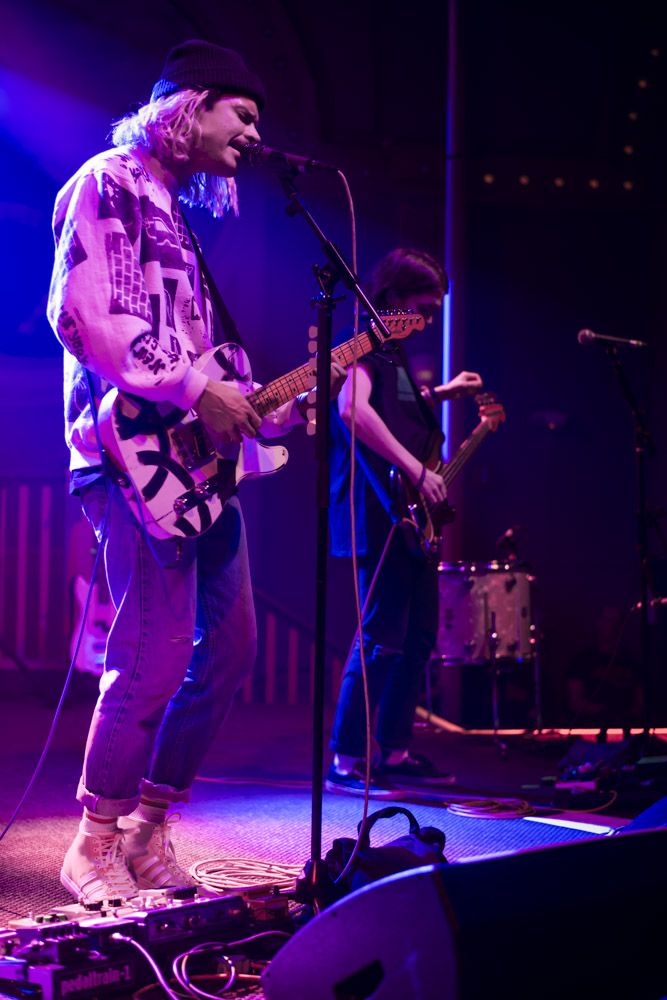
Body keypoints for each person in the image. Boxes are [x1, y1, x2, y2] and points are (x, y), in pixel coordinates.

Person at [47, 39, 345, 903]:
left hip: (197, 471)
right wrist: (191, 386)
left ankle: (147, 833)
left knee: (232, 650)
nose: (254, 135)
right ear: (188, 103)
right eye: (241, 115)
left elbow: (201, 364)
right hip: (126, 462)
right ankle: (91, 844)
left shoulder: (177, 210)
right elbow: (85, 315)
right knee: (153, 652)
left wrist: (263, 407)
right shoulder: (109, 180)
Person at [326, 248, 483, 797]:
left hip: (411, 519)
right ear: (392, 300)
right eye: (423, 306)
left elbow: (389, 409)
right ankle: (346, 760)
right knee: (378, 639)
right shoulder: (369, 351)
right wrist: (416, 467)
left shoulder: (395, 357)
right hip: (381, 513)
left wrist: (441, 394)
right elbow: (351, 408)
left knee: (415, 638)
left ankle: (392, 750)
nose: (430, 318)